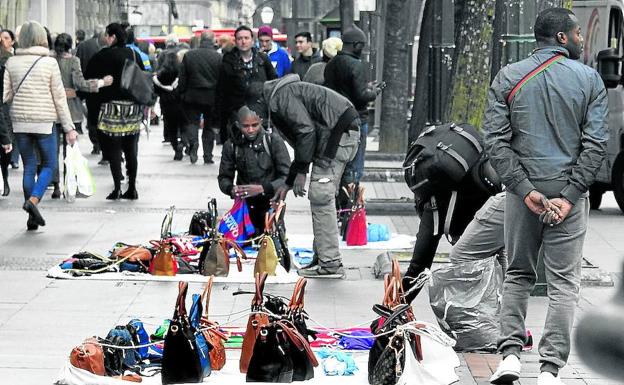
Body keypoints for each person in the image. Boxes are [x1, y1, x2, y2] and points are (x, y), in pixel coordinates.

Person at [483, 8, 608, 385]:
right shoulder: (589, 80)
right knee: (564, 283)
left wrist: (524, 189)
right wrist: (569, 196)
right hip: (567, 190)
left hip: (524, 193)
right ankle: (551, 370)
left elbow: (495, 141)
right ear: (560, 38)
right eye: (577, 34)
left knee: (518, 273)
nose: (581, 40)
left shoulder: (508, 77)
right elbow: (595, 143)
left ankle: (509, 356)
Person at [267, 74, 361, 278]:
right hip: (340, 134)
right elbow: (305, 138)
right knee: (323, 197)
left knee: (320, 195)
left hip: (338, 137)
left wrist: (301, 172)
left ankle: (330, 263)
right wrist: (289, 181)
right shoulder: (287, 93)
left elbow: (306, 132)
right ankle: (324, 258)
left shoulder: (281, 97)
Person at [3, 20, 78, 230]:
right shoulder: (49, 63)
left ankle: (31, 218)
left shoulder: (12, 63)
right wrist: (69, 127)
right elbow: (59, 98)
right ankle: (33, 201)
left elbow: (6, 95)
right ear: (41, 39)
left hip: (19, 121)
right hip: (44, 122)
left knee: (29, 165)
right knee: (49, 165)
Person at [85, 22, 146, 201]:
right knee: (131, 149)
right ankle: (132, 187)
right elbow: (141, 79)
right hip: (132, 110)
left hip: (110, 109)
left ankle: (117, 188)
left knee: (113, 150)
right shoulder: (134, 54)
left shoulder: (101, 56)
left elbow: (90, 82)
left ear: (112, 36)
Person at [52, 33, 112, 198]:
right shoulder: (73, 61)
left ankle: (55, 185)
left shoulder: (49, 61)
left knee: (52, 151)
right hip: (71, 110)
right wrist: (101, 82)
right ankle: (68, 183)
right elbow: (80, 83)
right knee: (70, 150)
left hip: (51, 110)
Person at [218, 106, 291, 234]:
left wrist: (263, 188)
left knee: (270, 246)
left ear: (261, 122)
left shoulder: (273, 141)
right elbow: (224, 176)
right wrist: (231, 189)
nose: (250, 130)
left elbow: (287, 177)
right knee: (242, 248)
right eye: (246, 126)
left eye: (255, 125)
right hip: (244, 207)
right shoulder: (231, 145)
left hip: (270, 204)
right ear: (238, 125)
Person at [324, 26, 381, 185]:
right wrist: (374, 92)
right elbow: (361, 96)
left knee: (339, 162)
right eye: (362, 45)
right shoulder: (356, 64)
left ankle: (339, 199)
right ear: (356, 45)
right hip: (356, 120)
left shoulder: (331, 64)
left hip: (335, 120)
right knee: (355, 164)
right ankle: (351, 202)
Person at [215, 25, 276, 144]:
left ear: (252, 40)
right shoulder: (227, 61)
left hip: (260, 112)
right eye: (240, 38)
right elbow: (221, 90)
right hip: (236, 112)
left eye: (246, 38)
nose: (243, 41)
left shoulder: (262, 59)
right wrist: (217, 120)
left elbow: (273, 82)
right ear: (235, 41)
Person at [178, 31, 221, 164]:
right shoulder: (218, 57)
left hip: (192, 95)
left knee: (192, 122)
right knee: (209, 126)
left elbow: (183, 77)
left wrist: (182, 93)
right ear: (213, 40)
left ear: (200, 40)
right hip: (211, 96)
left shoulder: (189, 55)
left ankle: (193, 144)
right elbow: (221, 79)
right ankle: (208, 155)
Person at [76, 26, 106, 155]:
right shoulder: (105, 48)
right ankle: (103, 142)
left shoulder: (83, 46)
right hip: (104, 87)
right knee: (103, 116)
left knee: (92, 116)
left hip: (88, 87)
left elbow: (78, 65)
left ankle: (96, 144)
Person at [154, 44, 185, 160]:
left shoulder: (161, 74)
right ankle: (184, 142)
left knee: (171, 127)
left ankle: (176, 148)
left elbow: (156, 89)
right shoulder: (181, 72)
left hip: (166, 103)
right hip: (180, 102)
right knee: (183, 125)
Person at [0, 28, 19, 170]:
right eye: (1, 38)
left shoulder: (18, 56)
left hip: (16, 97)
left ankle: (15, 157)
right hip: (4, 97)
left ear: (12, 41)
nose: (3, 41)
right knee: (6, 125)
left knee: (15, 127)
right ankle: (10, 155)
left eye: (6, 38)